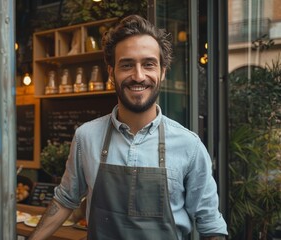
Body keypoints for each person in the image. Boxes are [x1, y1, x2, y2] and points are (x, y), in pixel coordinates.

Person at [28, 15, 228, 240]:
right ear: (111, 72)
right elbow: (65, 199)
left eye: (148, 64)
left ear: (162, 71)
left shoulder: (189, 146)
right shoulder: (86, 137)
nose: (139, 76)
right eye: (127, 65)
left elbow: (211, 226)